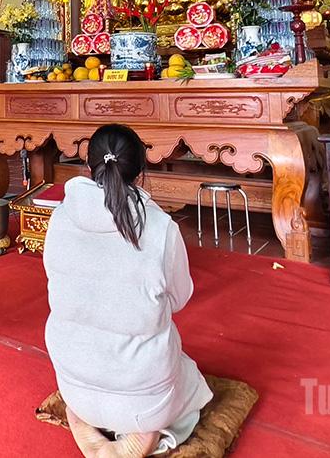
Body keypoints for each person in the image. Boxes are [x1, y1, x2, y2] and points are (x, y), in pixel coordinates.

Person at [43, 124, 212, 457]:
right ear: (140, 169)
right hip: (143, 390)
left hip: (73, 375)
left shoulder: (59, 218)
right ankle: (147, 432)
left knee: (81, 387)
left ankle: (82, 419)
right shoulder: (161, 228)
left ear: (90, 165)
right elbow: (179, 299)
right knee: (189, 379)